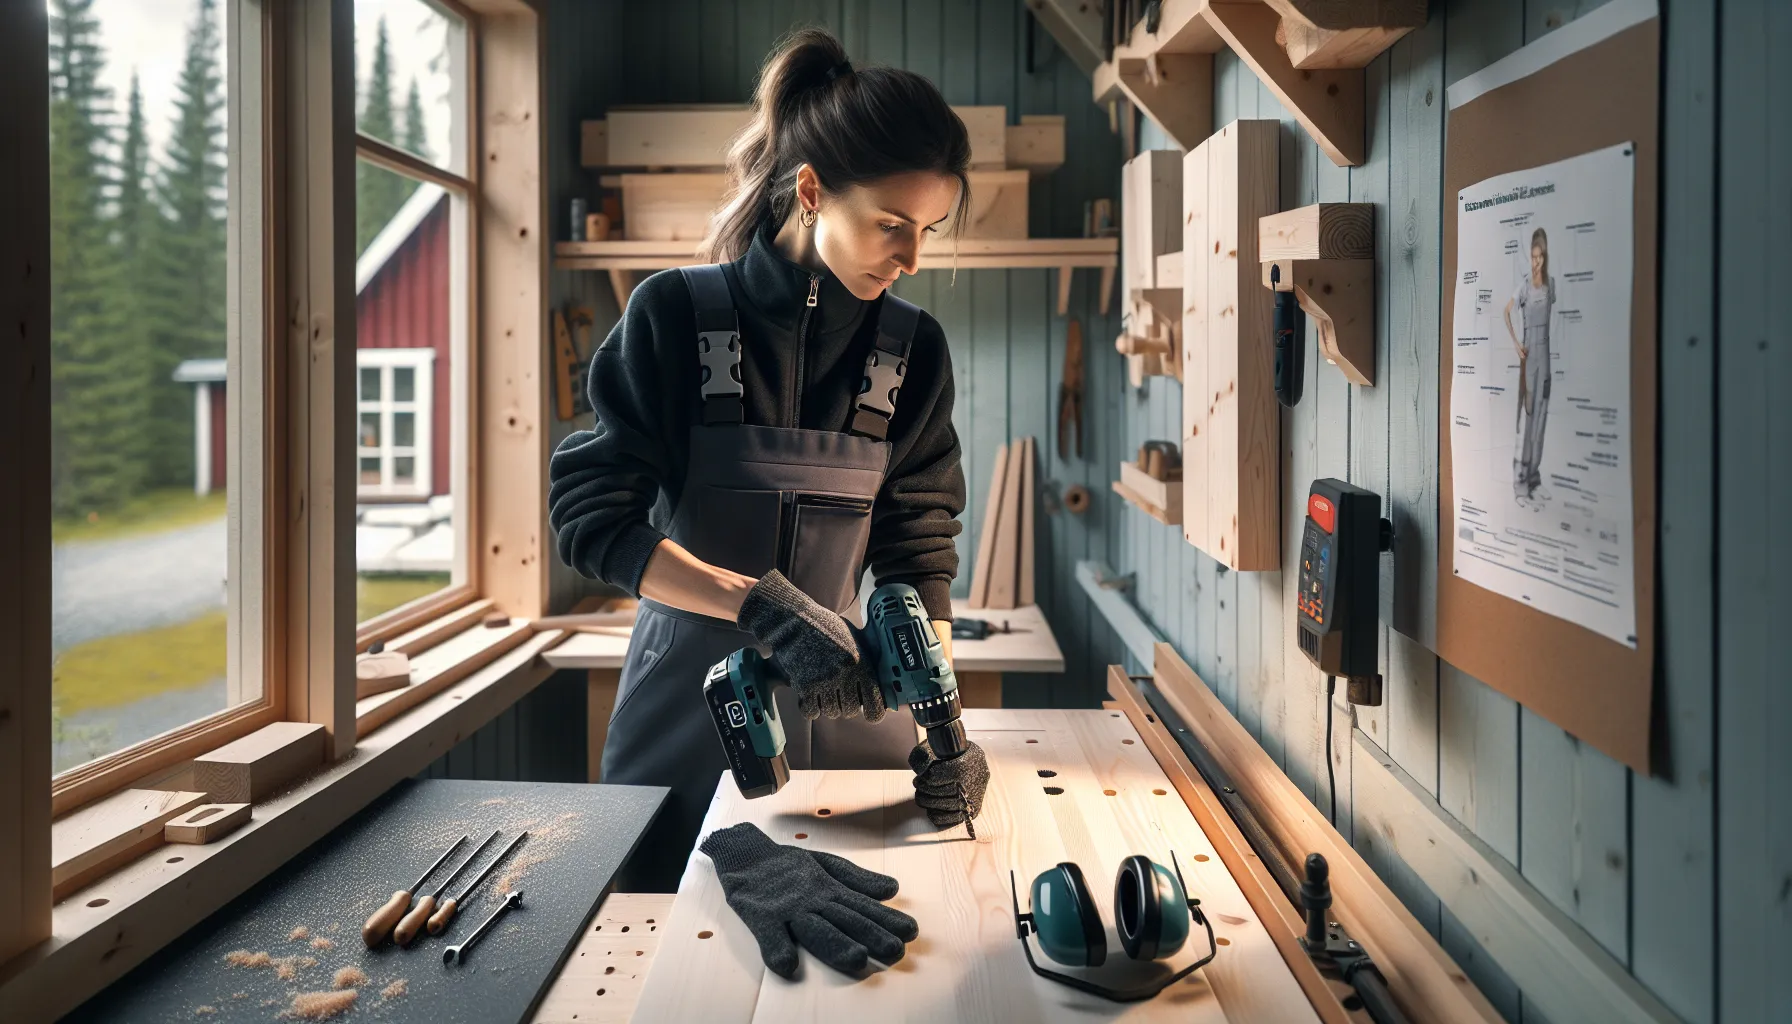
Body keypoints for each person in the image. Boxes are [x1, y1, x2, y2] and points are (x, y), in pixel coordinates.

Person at [549, 28, 985, 893]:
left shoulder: (913, 352)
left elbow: (917, 541)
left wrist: (944, 723)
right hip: (686, 716)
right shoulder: (675, 315)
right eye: (891, 225)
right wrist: (755, 605)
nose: (911, 259)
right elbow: (591, 522)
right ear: (813, 192)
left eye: (929, 230)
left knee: (865, 952)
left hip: (855, 714)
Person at [1503, 226, 1556, 507]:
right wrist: (1515, 343)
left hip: (1546, 356)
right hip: (1530, 355)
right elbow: (1506, 311)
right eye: (1533, 257)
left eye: (1540, 257)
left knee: (1542, 421)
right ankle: (1520, 483)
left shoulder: (1551, 286)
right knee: (1528, 420)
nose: (1536, 262)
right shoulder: (1524, 286)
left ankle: (1534, 477)